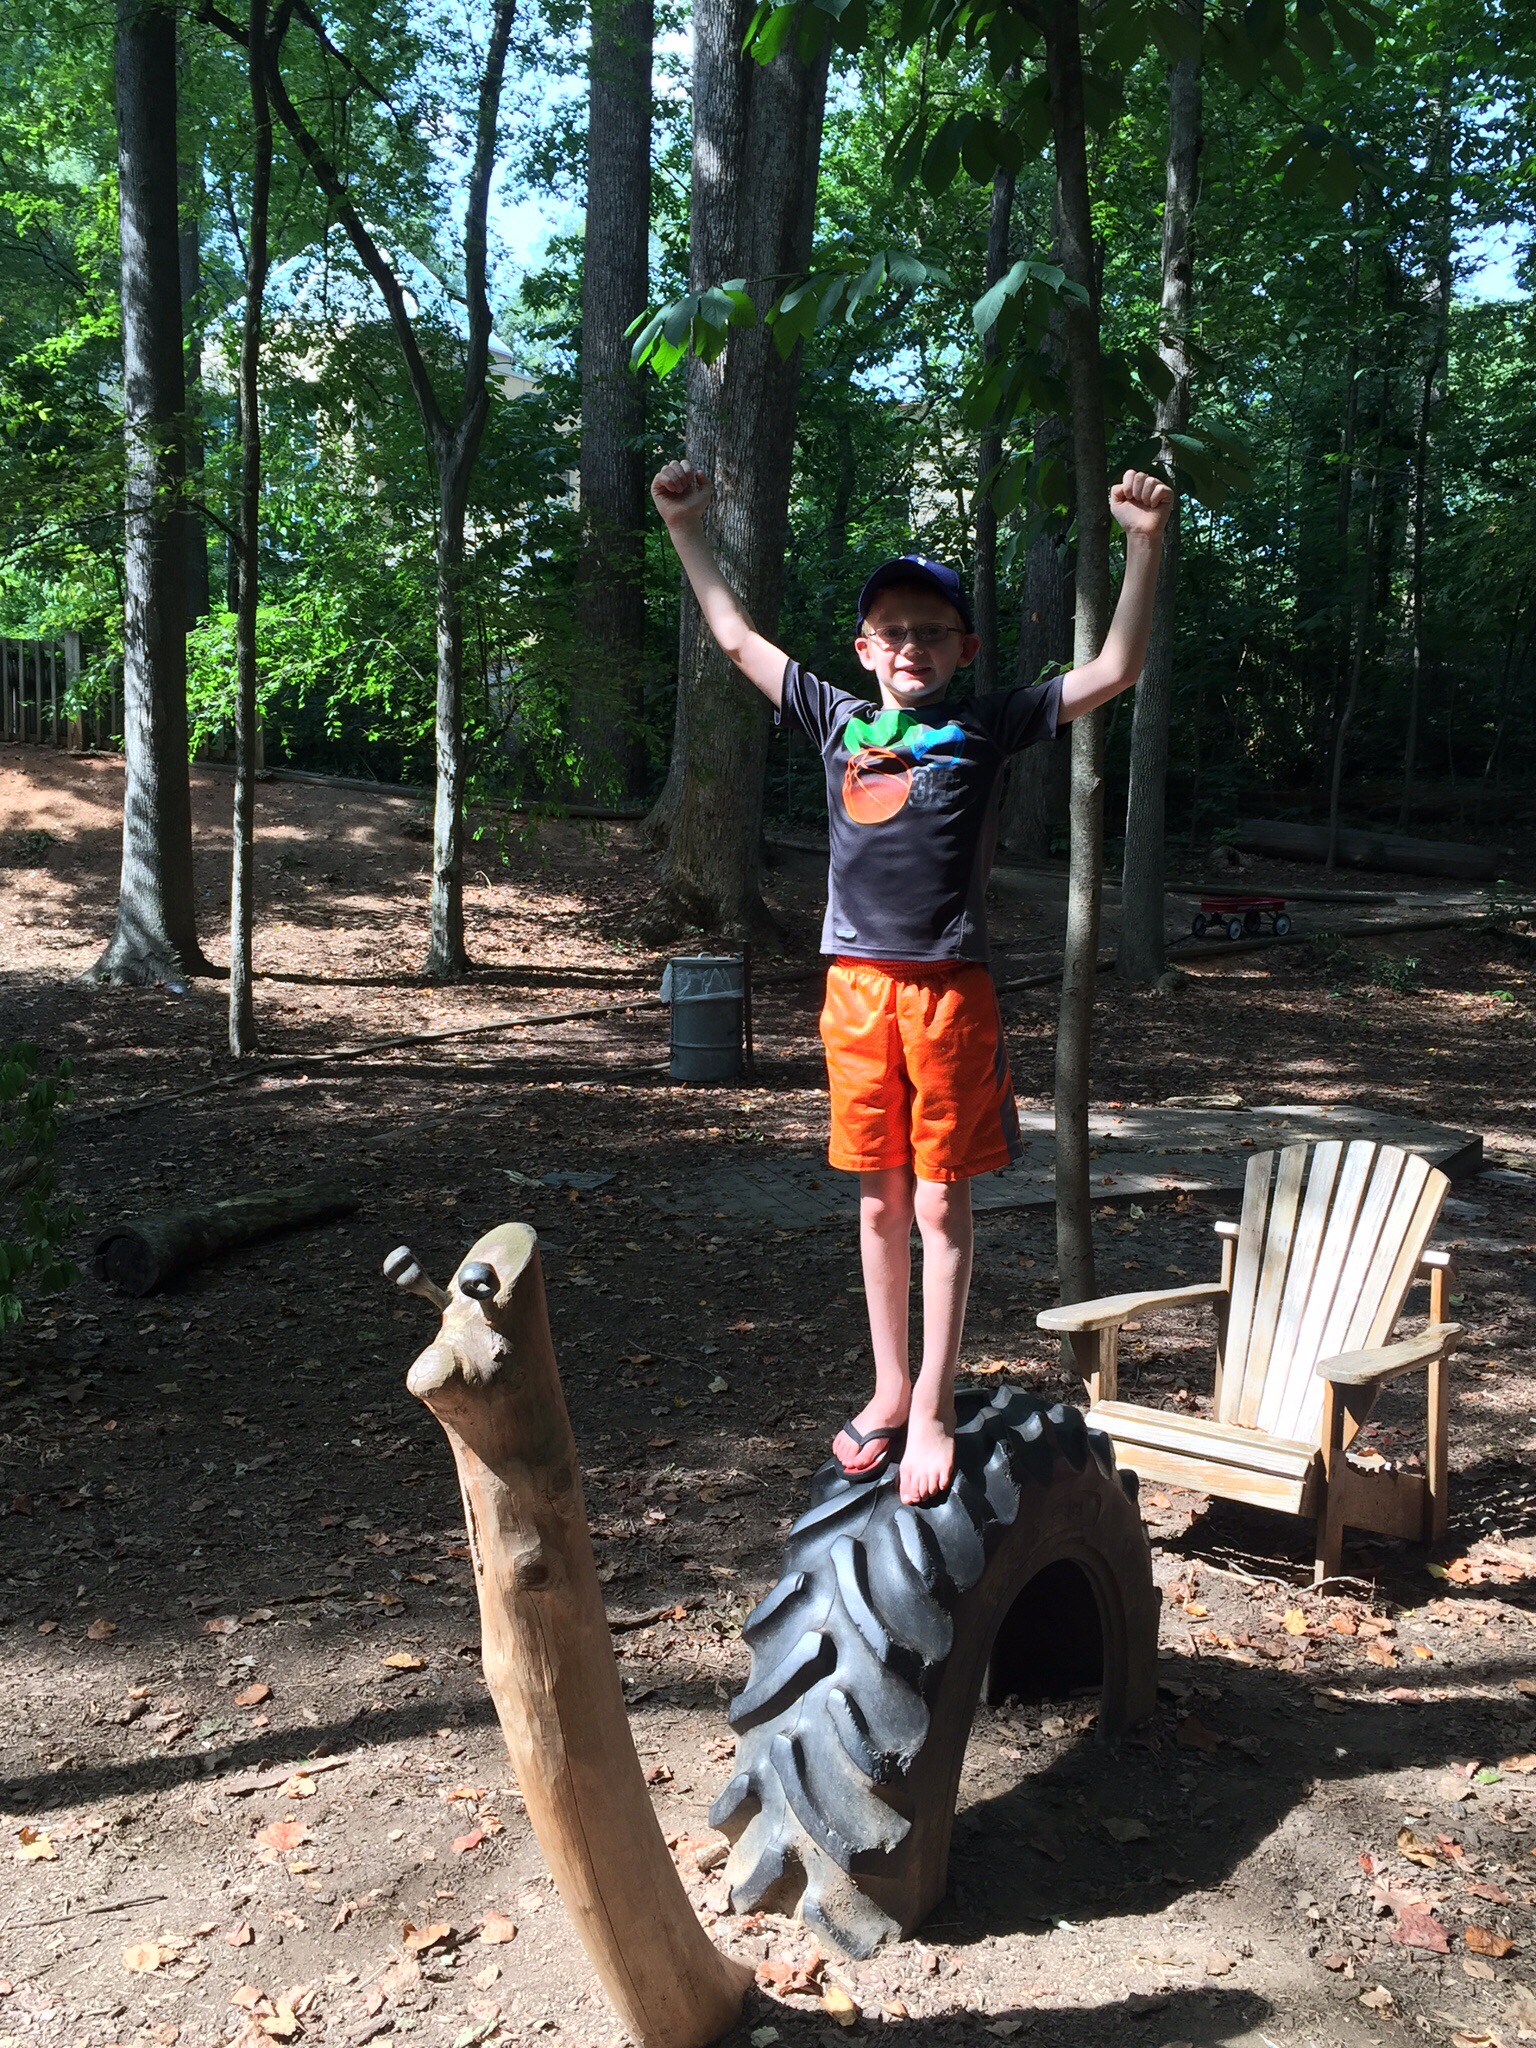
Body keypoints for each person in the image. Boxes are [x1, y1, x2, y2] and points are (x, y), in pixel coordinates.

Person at [651, 458, 1174, 1503]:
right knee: (879, 1205)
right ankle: (889, 1385)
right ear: (864, 648)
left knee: (939, 1204)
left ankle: (933, 1402)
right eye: (892, 630)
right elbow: (736, 639)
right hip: (854, 992)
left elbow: (1115, 667)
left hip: (948, 998)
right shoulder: (836, 717)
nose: (911, 646)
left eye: (933, 631)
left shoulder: (986, 726)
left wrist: (1142, 544)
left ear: (964, 648)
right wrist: (686, 527)